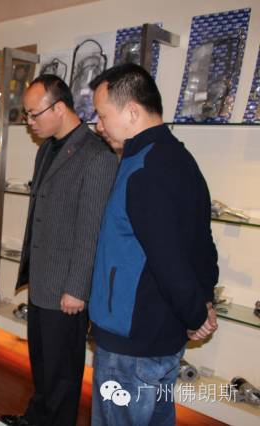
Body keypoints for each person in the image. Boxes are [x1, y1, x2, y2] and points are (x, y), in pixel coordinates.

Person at [88, 63, 219, 425]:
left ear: (132, 112)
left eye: (102, 115)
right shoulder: (178, 158)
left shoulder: (146, 168)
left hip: (133, 343)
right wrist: (202, 306)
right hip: (159, 336)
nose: (98, 126)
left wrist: (197, 315)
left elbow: (169, 259)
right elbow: (202, 246)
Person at [1, 75, 118, 426]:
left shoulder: (96, 155)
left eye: (34, 114)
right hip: (43, 277)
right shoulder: (46, 149)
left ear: (60, 108)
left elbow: (91, 229)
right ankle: (36, 418)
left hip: (67, 287)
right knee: (42, 363)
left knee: (63, 373)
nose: (29, 122)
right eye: (26, 114)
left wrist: (77, 288)